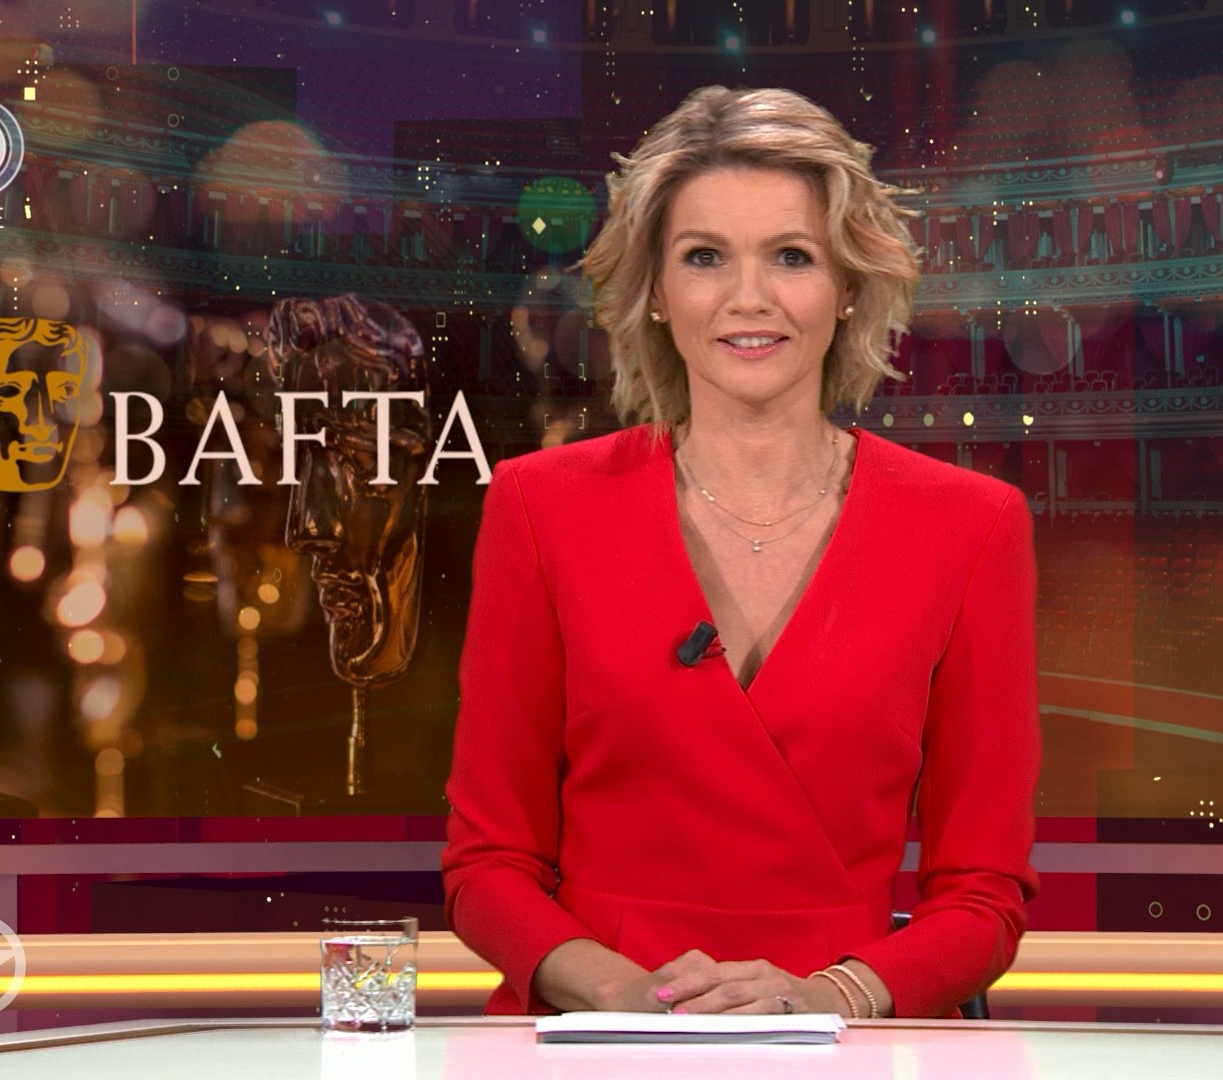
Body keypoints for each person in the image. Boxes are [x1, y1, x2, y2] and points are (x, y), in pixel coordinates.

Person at [441, 86, 1040, 1020]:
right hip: (596, 1038)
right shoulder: (539, 505)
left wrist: (829, 997)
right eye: (704, 256)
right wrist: (628, 994)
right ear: (655, 291)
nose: (748, 298)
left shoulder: (972, 525)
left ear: (847, 287)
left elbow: (983, 894)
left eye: (792, 257)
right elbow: (487, 866)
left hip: (840, 1045)